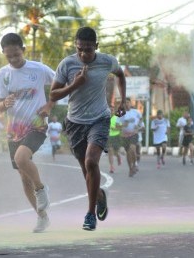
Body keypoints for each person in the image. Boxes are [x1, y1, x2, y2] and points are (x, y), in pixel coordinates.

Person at [50, 26, 126, 231]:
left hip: (100, 119)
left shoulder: (106, 61)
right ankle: (100, 196)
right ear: (76, 46)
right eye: (80, 49)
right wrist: (75, 85)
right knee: (87, 171)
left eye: (88, 50)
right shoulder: (67, 64)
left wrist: (122, 101)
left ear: (96, 47)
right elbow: (53, 95)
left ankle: (90, 214)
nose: (83, 54)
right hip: (75, 123)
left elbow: (120, 74)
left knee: (91, 161)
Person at [0, 33, 54, 233]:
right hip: (14, 129)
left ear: (24, 50)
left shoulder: (38, 69)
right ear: (3, 53)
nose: (13, 60)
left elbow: (59, 84)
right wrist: (4, 104)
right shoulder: (2, 74)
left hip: (36, 123)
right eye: (8, 56)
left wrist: (49, 104)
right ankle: (42, 217)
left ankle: (41, 189)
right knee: (23, 177)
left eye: (16, 55)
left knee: (21, 159)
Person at [117, 98, 142, 177]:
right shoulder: (120, 112)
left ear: (131, 103)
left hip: (133, 134)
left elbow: (141, 119)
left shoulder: (136, 112)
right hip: (124, 135)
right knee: (128, 153)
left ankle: (135, 164)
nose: (126, 104)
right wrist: (124, 125)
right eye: (125, 103)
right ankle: (130, 168)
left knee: (132, 149)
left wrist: (137, 127)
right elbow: (117, 125)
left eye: (128, 102)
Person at [107, 104, 122, 173]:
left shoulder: (117, 117)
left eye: (112, 110)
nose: (110, 111)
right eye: (109, 110)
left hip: (116, 136)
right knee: (110, 151)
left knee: (116, 152)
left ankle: (118, 156)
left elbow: (121, 127)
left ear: (114, 111)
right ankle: (111, 166)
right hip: (109, 137)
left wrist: (114, 128)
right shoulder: (106, 118)